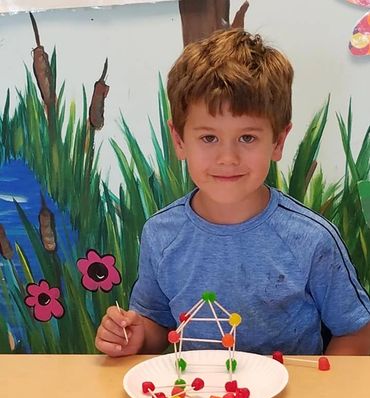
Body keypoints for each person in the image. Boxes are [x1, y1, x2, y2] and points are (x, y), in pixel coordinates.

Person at [96, 28, 370, 357]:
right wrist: (136, 334)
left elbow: (357, 333)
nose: (228, 158)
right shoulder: (160, 233)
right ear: (179, 140)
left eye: (247, 138)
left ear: (279, 142)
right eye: (209, 138)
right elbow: (157, 325)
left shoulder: (311, 238)